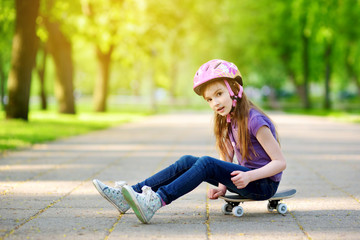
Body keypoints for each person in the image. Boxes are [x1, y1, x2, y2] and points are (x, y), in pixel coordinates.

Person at [93, 59, 286, 224]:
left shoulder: (255, 121)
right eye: (209, 99)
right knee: (187, 160)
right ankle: (128, 196)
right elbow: (227, 157)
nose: (215, 103)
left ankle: (156, 201)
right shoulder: (228, 119)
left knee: (206, 163)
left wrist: (250, 177)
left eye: (219, 94)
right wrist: (222, 186)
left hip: (263, 184)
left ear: (235, 89)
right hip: (247, 179)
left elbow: (280, 163)